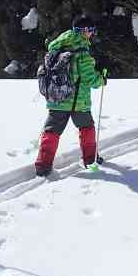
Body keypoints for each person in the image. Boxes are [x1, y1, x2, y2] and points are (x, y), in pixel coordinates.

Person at [34, 16, 106, 177]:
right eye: (91, 31)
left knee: (51, 131)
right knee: (87, 128)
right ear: (84, 31)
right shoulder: (82, 53)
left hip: (56, 98)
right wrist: (101, 78)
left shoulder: (57, 47)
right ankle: (90, 160)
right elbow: (90, 80)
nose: (92, 34)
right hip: (78, 101)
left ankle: (43, 165)